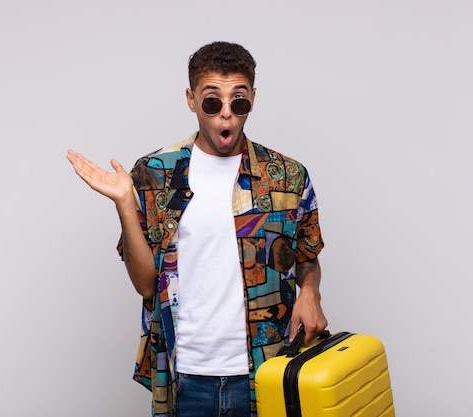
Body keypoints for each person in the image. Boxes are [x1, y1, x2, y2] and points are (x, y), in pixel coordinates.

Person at [66, 41, 327, 417]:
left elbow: (307, 257)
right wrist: (124, 202)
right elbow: (145, 284)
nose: (226, 116)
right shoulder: (154, 174)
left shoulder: (287, 176)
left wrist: (311, 291)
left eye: (238, 102)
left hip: (269, 370)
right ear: (191, 100)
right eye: (211, 102)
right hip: (184, 377)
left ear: (253, 98)